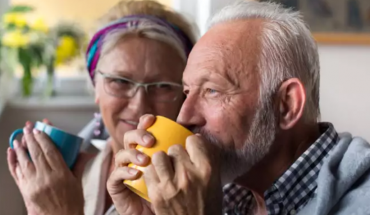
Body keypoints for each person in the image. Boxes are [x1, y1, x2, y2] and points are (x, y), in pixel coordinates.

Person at [108, 1, 370, 215]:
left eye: (212, 90)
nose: (183, 117)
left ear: (287, 105)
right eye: (187, 92)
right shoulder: (230, 192)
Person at [6, 1, 197, 215]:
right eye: (120, 81)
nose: (140, 105)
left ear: (183, 94)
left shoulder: (198, 191)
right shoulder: (64, 179)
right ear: (95, 86)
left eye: (162, 86)